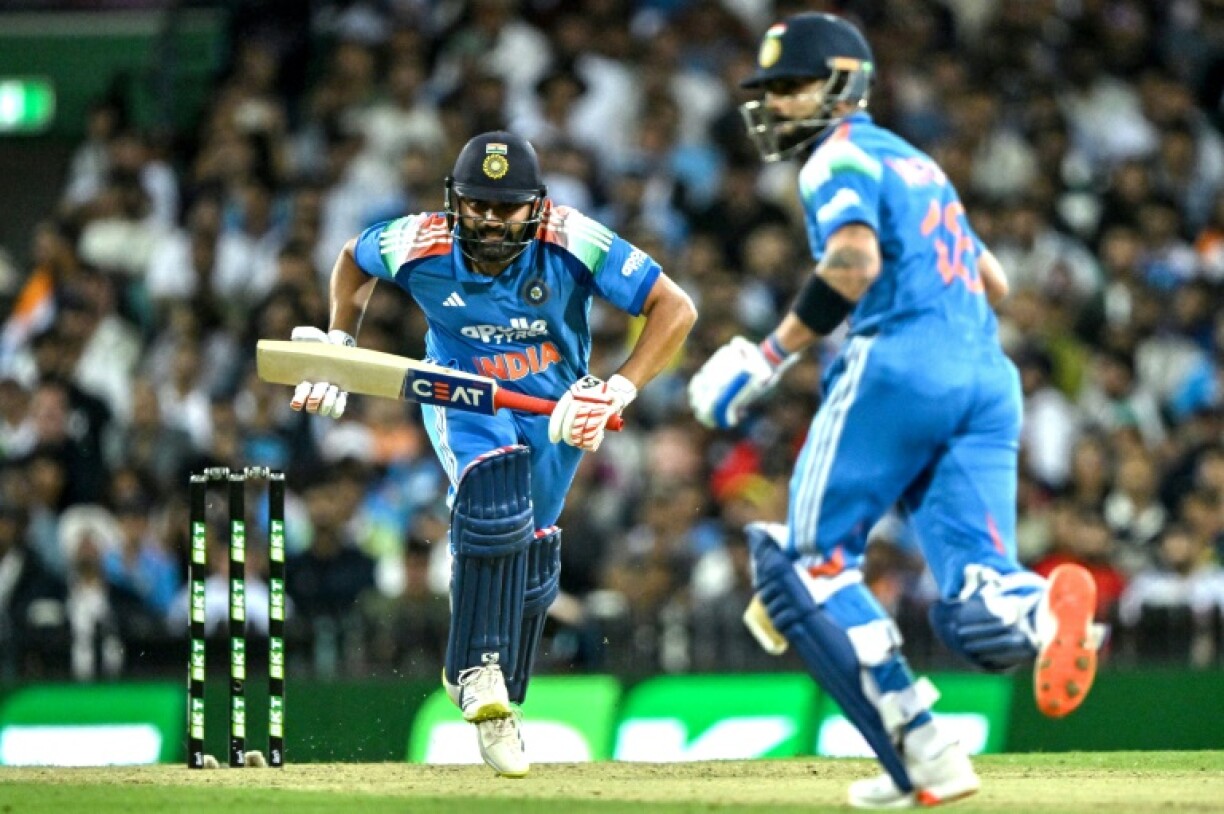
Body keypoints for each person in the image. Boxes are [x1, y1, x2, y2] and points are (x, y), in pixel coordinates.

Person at [688, 14, 1103, 809]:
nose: (775, 105)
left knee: (812, 560)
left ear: (843, 82)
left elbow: (852, 263)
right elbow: (995, 283)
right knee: (977, 591)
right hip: (986, 373)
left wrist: (765, 356)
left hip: (903, 364)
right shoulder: (917, 162)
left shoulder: (833, 158)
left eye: (790, 86)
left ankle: (920, 741)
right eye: (769, 91)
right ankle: (1048, 612)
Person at [291, 130, 695, 777]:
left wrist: (616, 388)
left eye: (503, 208)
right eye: (475, 204)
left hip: (556, 411)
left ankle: (502, 684)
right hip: (463, 395)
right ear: (455, 201)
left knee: (532, 558)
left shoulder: (573, 239)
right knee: (493, 494)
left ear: (535, 206)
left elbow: (674, 308)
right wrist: (341, 340)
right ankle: (474, 672)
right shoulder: (418, 241)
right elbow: (351, 259)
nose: (486, 219)